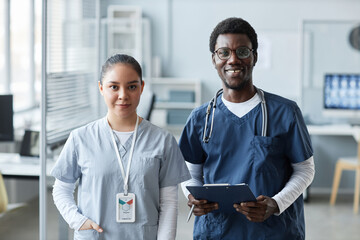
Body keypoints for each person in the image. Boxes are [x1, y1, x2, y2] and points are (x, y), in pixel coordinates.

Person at [179, 17, 315, 240]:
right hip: (218, 232)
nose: (233, 59)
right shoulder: (200, 118)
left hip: (274, 232)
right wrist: (193, 196)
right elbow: (189, 174)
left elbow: (305, 170)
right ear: (214, 59)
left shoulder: (285, 112)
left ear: (254, 57)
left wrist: (276, 203)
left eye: (242, 51)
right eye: (224, 52)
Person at [51, 54, 191, 240]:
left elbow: (169, 203)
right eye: (114, 87)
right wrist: (77, 221)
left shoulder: (163, 141)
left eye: (132, 86)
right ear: (101, 88)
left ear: (142, 88)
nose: (123, 95)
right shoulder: (81, 138)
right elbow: (61, 189)